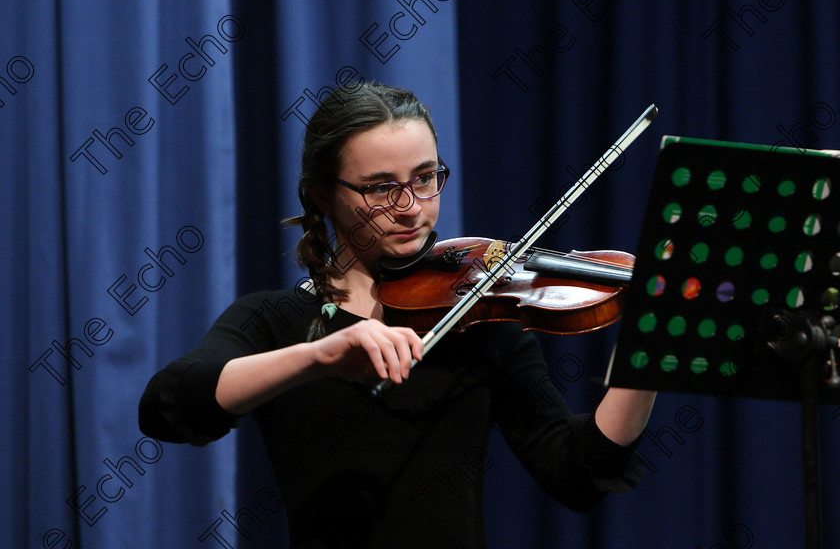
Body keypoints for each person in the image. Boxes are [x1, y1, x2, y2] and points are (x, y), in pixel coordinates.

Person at [138, 81, 656, 548]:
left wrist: (649, 342)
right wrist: (321, 356)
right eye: (382, 187)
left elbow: (578, 474)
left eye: (426, 177)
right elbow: (168, 407)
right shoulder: (274, 320)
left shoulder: (479, 316)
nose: (412, 206)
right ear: (323, 195)